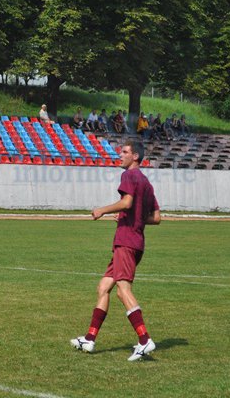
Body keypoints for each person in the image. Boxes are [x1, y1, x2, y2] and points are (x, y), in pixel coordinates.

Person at [71, 139, 161, 361]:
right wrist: (131, 219)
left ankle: (144, 340)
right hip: (134, 242)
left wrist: (102, 210)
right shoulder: (147, 183)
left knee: (123, 290)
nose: (120, 155)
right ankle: (90, 339)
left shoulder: (129, 176)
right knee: (103, 287)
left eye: (125, 152)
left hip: (126, 242)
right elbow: (156, 218)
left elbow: (127, 202)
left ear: (136, 157)